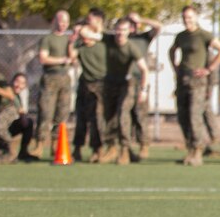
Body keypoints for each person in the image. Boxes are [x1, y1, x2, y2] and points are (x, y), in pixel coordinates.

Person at [78, 18, 150, 165]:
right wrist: (96, 25)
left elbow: (144, 69)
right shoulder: (108, 39)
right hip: (108, 83)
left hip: (126, 83)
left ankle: (124, 150)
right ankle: (111, 148)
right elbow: (84, 32)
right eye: (118, 29)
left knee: (123, 112)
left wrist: (143, 90)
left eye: (123, 30)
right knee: (107, 117)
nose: (120, 33)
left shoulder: (131, 47)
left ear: (129, 31)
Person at [169, 6, 220, 166]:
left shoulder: (203, 35)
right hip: (183, 79)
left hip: (198, 82)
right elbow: (172, 50)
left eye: (189, 17)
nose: (187, 21)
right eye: (184, 18)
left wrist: (208, 69)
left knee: (195, 116)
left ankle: (198, 151)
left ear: (196, 18)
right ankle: (190, 149)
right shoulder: (181, 36)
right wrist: (175, 66)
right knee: (183, 117)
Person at [28, 10, 74, 159]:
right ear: (55, 21)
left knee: (62, 114)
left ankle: (57, 146)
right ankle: (39, 145)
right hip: (50, 78)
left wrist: (73, 42)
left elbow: (72, 57)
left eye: (66, 22)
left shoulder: (68, 39)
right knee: (45, 112)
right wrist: (62, 60)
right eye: (61, 21)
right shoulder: (48, 38)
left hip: (64, 78)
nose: (63, 25)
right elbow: (43, 58)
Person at [122, 12, 162, 162]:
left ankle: (144, 145)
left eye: (133, 23)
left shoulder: (143, 38)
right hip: (122, 82)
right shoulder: (121, 38)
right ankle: (125, 147)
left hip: (140, 81)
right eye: (129, 22)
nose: (132, 25)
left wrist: (142, 19)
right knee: (123, 116)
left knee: (140, 115)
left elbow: (159, 27)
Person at [70, 9, 107, 162]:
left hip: (100, 85)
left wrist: (85, 32)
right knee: (81, 118)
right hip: (84, 84)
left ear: (98, 21)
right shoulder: (80, 44)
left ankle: (97, 150)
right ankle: (77, 148)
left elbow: (95, 33)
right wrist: (73, 38)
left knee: (97, 119)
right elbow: (71, 57)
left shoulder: (105, 41)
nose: (87, 22)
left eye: (90, 19)